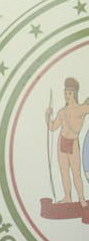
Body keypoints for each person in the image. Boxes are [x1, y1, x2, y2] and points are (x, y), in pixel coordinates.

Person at [45, 77, 89, 208]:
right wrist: (47, 116)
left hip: (73, 143)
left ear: (74, 93)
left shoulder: (82, 109)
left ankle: (81, 199)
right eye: (65, 93)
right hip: (62, 142)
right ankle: (68, 197)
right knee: (64, 172)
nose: (67, 96)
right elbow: (52, 127)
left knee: (76, 173)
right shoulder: (62, 112)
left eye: (69, 93)